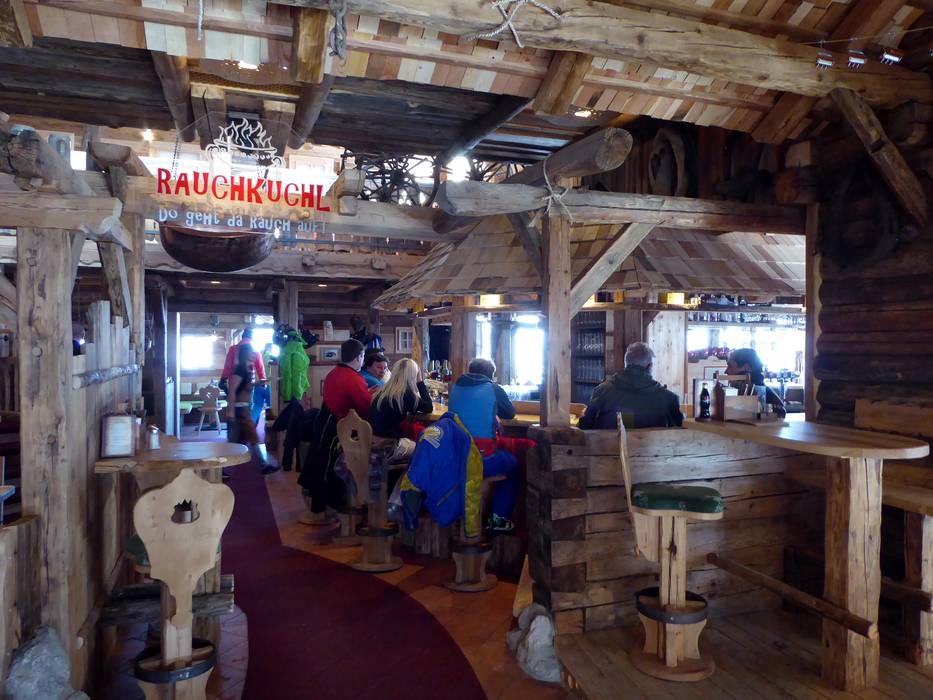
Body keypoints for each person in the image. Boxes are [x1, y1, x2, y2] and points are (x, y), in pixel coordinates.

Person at [447, 358, 518, 533]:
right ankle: (498, 519)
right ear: (491, 375)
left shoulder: (455, 387)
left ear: (470, 370)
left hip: (454, 457)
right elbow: (509, 413)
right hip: (481, 459)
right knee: (513, 465)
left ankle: (460, 516)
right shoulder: (493, 388)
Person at [579, 342, 683, 430]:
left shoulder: (602, 390)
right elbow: (679, 432)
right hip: (654, 448)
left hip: (610, 447)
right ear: (650, 366)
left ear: (626, 364)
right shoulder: (669, 399)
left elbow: (585, 425)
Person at [228, 343, 279, 476]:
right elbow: (232, 389)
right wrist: (230, 411)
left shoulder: (245, 369)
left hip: (244, 407)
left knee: (239, 440)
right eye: (251, 352)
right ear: (245, 354)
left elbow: (245, 386)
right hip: (240, 409)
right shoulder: (240, 369)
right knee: (253, 437)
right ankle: (263, 465)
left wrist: (257, 383)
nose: (254, 355)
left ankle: (227, 468)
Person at [369, 358, 433, 459]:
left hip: (372, 440)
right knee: (426, 446)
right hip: (386, 446)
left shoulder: (385, 389)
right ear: (413, 375)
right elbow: (429, 407)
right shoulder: (405, 393)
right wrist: (420, 381)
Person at [726, 348, 786, 417]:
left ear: (747, 367)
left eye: (730, 366)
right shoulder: (743, 389)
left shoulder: (760, 392)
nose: (726, 371)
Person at [322, 338, 371, 420]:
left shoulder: (332, 373)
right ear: (359, 357)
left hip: (330, 422)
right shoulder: (354, 379)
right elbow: (366, 409)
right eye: (363, 356)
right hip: (348, 424)